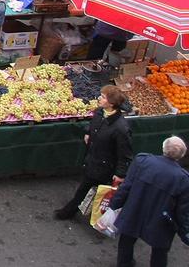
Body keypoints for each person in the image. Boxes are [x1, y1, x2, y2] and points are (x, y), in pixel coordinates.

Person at [53, 84, 134, 221]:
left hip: (106, 166)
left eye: (103, 97)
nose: (99, 98)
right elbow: (92, 125)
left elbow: (124, 153)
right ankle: (72, 211)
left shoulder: (121, 128)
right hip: (94, 160)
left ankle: (100, 217)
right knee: (85, 188)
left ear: (112, 103)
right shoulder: (99, 112)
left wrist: (120, 174)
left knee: (100, 192)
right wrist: (88, 132)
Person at [108, 136, 189, 267]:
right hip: (160, 220)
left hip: (135, 210)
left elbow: (126, 187)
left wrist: (113, 206)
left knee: (126, 240)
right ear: (181, 155)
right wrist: (184, 233)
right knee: (160, 251)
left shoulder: (142, 161)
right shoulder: (183, 179)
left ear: (163, 148)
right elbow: (182, 211)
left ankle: (125, 263)